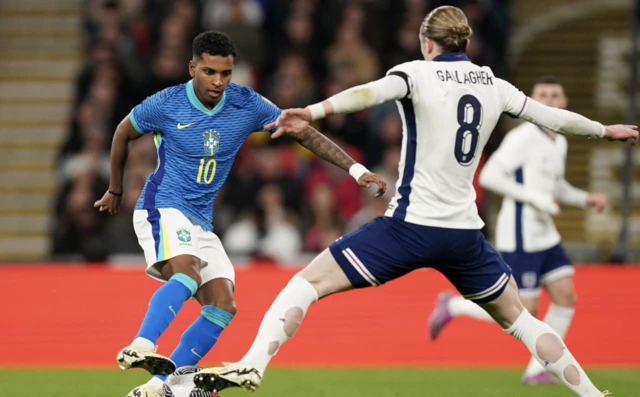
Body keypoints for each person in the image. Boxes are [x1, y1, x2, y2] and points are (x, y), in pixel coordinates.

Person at [192, 6, 637, 397]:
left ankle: (253, 363)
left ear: (427, 42)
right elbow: (552, 118)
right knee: (522, 321)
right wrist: (604, 130)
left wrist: (314, 112)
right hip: (464, 234)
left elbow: (367, 93)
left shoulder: (416, 73)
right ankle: (594, 395)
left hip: (408, 228)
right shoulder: (493, 84)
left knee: (305, 285)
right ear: (467, 41)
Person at [93, 30, 386, 397]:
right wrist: (115, 189)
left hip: (201, 219)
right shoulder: (166, 104)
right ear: (192, 68)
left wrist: (356, 170)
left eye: (225, 73)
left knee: (223, 304)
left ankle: (160, 386)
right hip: (162, 205)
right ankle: (142, 344)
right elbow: (122, 131)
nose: (218, 82)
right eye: (209, 72)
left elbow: (302, 132)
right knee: (187, 272)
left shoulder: (247, 104)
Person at [428, 76, 608, 385]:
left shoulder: (559, 140)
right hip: (521, 234)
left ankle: (537, 370)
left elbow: (555, 186)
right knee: (524, 308)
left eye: (555, 95)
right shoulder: (523, 137)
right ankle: (454, 306)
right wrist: (535, 198)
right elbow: (489, 177)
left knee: (565, 297)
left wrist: (583, 199)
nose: (550, 101)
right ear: (533, 101)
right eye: (543, 95)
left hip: (545, 233)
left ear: (564, 103)